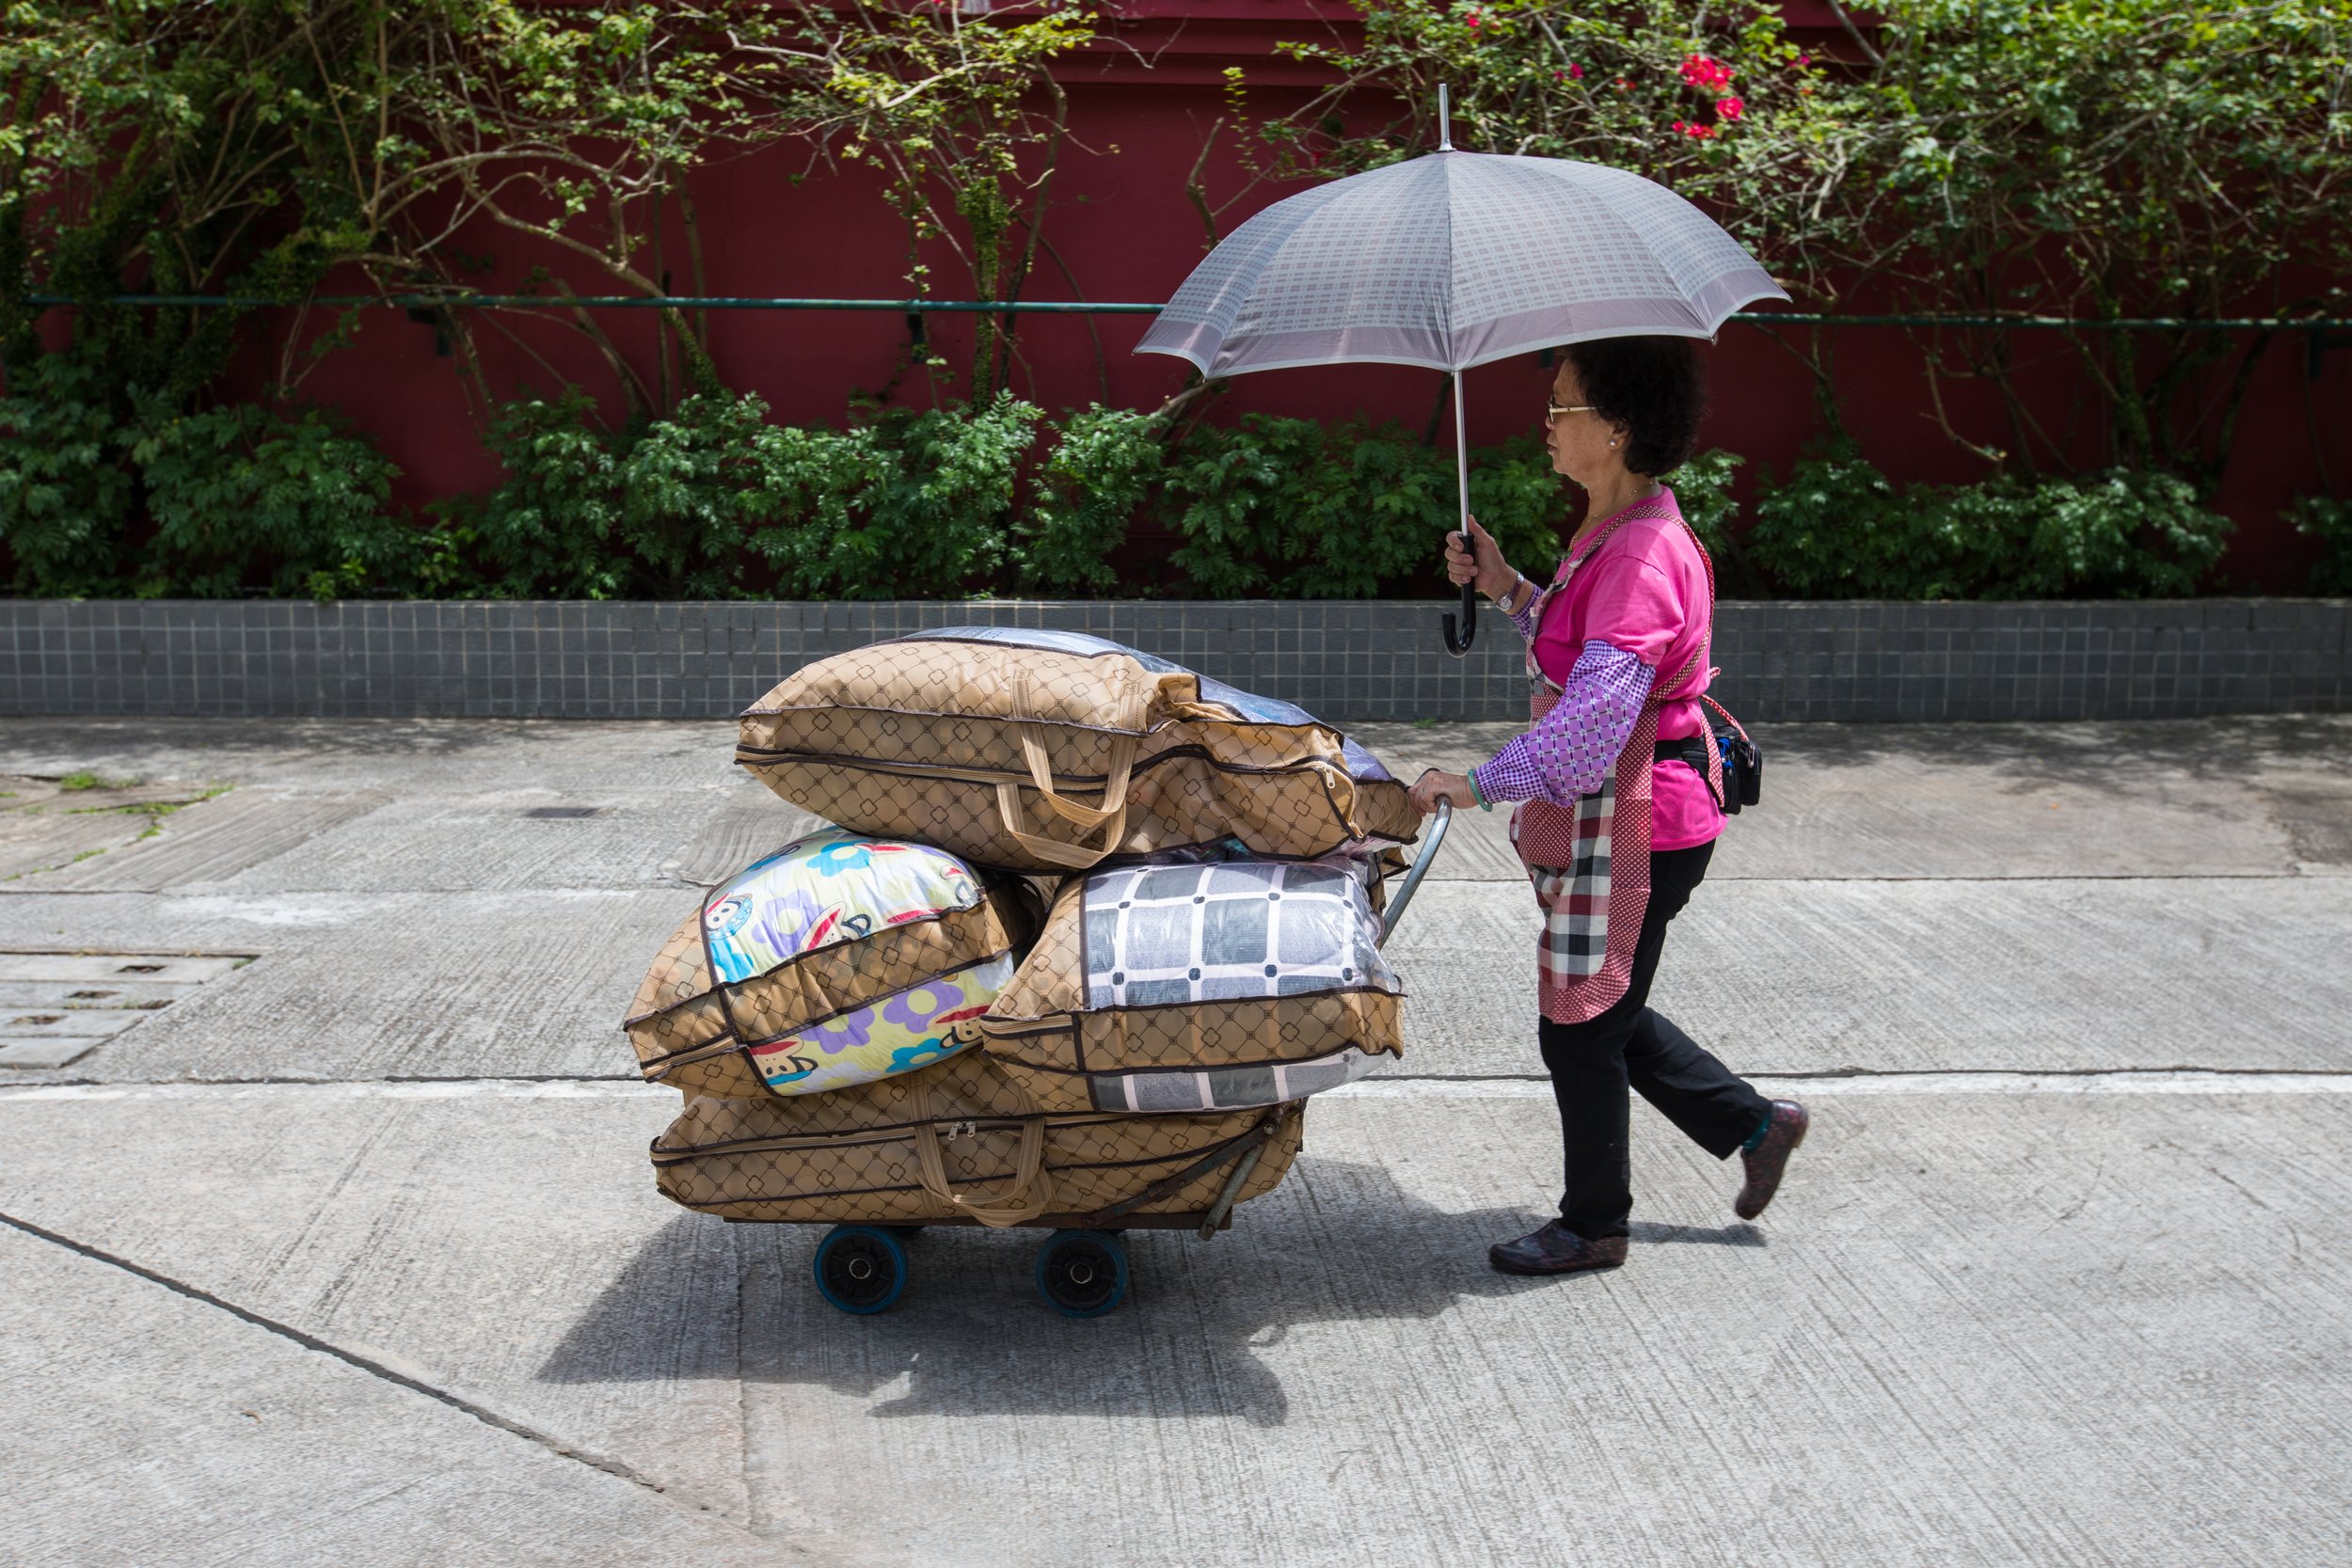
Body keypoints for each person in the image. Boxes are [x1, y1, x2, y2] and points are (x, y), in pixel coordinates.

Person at [1405, 336, 1807, 1277]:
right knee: (1606, 1012)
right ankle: (1756, 1122)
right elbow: (1574, 648)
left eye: (1564, 406)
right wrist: (1506, 586)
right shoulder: (1616, 531)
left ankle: (1595, 1222)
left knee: (1581, 1025)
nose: (1546, 422)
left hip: (1640, 823)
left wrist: (1468, 782)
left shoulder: (1639, 557)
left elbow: (1588, 729)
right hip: (1628, 814)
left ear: (1617, 428)